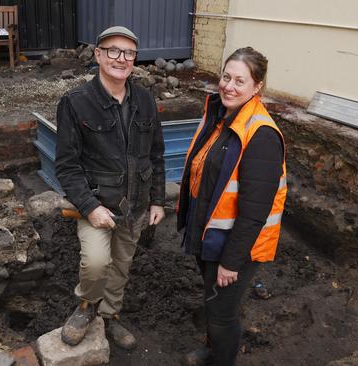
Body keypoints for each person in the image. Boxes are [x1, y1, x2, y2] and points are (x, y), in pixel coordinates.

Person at [55, 26, 166, 349]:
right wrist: (90, 207)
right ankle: (87, 307)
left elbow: (156, 155)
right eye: (114, 50)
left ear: (134, 59)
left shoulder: (145, 100)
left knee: (121, 264)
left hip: (136, 205)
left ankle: (110, 315)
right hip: (97, 203)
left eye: (129, 53)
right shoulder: (76, 103)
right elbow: (67, 165)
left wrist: (157, 201)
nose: (122, 58)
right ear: (99, 55)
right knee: (96, 261)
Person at [176, 47, 287, 365]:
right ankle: (212, 350)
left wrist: (231, 263)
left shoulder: (261, 136)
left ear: (257, 88)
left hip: (235, 247)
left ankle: (220, 359)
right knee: (213, 302)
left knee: (222, 314)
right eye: (226, 77)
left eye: (240, 81)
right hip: (210, 236)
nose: (229, 86)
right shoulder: (221, 117)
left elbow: (254, 212)